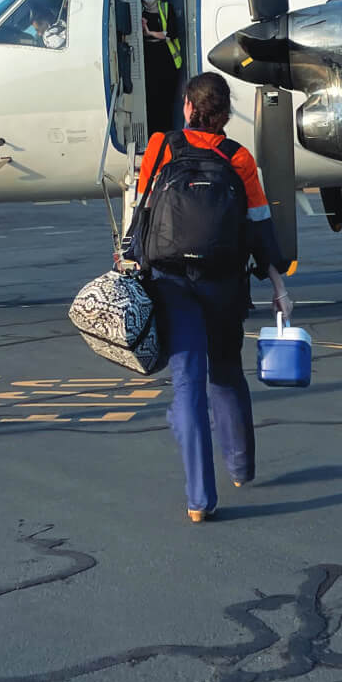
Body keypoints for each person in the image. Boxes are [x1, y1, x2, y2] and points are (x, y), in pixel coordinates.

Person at [133, 71, 291, 523]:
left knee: (186, 384)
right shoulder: (239, 157)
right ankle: (240, 467)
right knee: (225, 373)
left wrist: (132, 260)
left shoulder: (162, 147)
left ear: (188, 107)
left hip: (171, 279)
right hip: (223, 281)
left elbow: (144, 210)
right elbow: (260, 226)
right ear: (224, 113)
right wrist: (279, 285)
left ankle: (200, 499)